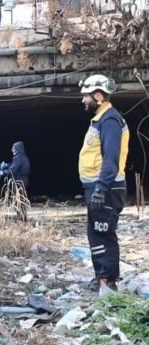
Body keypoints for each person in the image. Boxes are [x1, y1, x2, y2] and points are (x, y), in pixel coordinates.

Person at [78, 74, 130, 297]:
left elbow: (111, 159)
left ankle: (108, 281)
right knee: (96, 233)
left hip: (106, 189)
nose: (83, 101)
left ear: (98, 96)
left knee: (103, 233)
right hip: (101, 187)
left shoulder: (109, 121)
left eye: (86, 97)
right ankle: (102, 276)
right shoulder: (102, 119)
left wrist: (100, 189)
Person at [0, 141, 31, 221]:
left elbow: (13, 169)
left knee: (18, 199)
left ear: (17, 148)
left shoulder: (18, 157)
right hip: (24, 180)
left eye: (13, 148)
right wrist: (8, 165)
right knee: (21, 198)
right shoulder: (24, 157)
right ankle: (23, 217)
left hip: (18, 181)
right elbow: (15, 166)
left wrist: (4, 172)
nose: (12, 149)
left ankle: (21, 217)